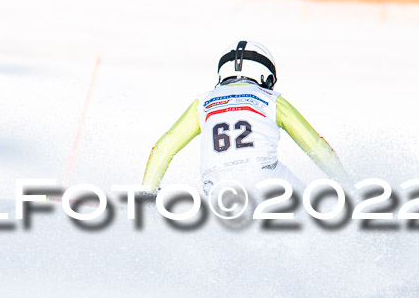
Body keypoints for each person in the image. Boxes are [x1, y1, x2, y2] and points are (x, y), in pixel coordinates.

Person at [142, 40, 347, 195]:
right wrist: (348, 186)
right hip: (264, 176)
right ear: (265, 76)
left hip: (216, 188)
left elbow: (163, 148)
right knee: (314, 223)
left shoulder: (203, 103)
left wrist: (147, 195)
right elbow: (316, 146)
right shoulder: (270, 99)